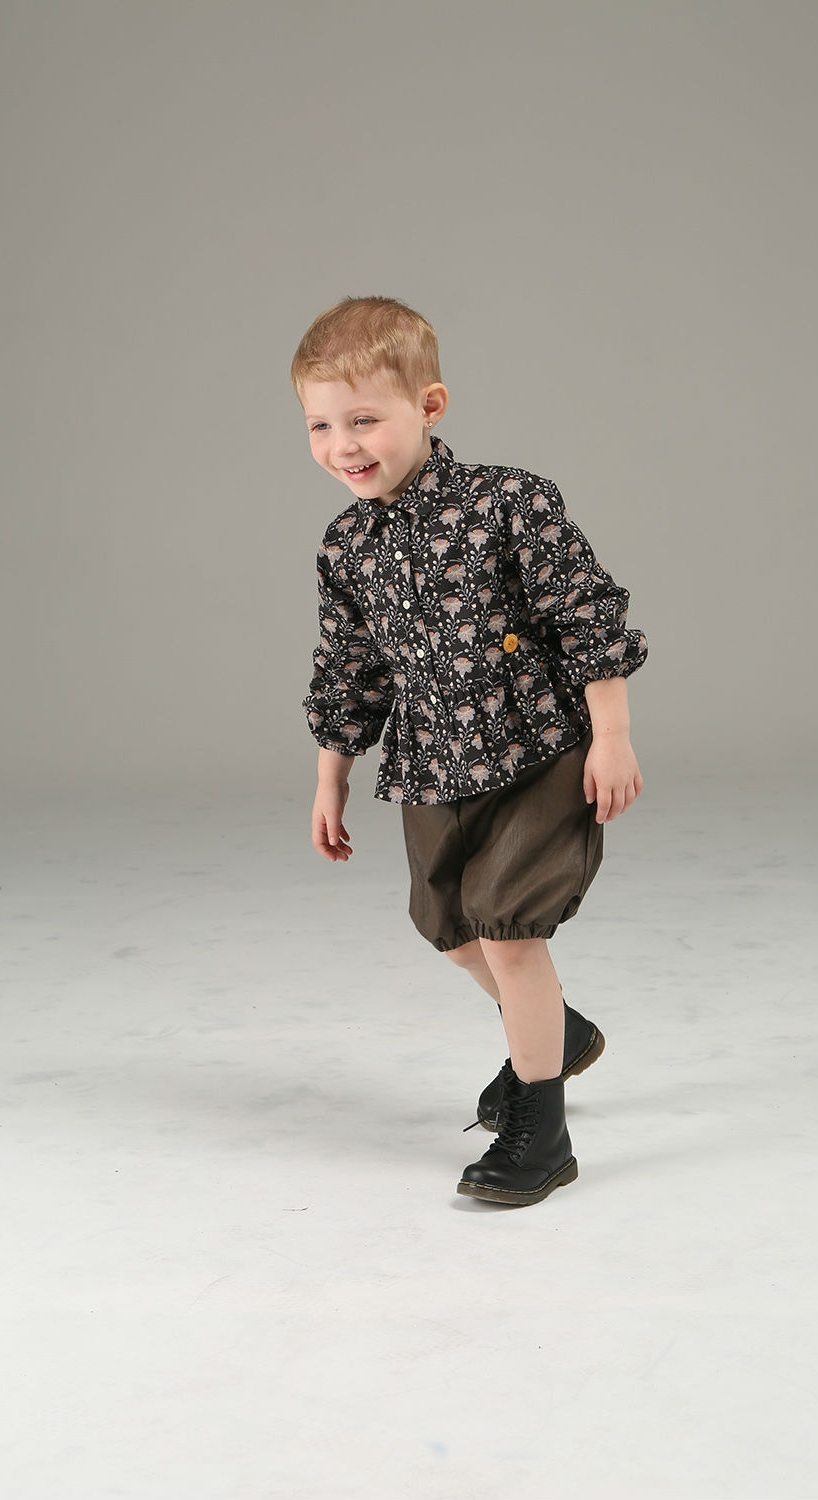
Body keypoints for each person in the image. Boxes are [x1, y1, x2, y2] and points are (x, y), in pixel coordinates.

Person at [292, 295, 648, 1207]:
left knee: (508, 928)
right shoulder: (346, 545)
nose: (343, 445)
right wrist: (331, 777)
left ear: (430, 406)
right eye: (321, 425)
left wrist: (612, 736)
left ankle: (542, 1131)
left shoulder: (509, 502)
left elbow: (587, 615)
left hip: (539, 749)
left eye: (364, 420)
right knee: (449, 928)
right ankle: (557, 1032)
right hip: (432, 763)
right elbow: (350, 665)